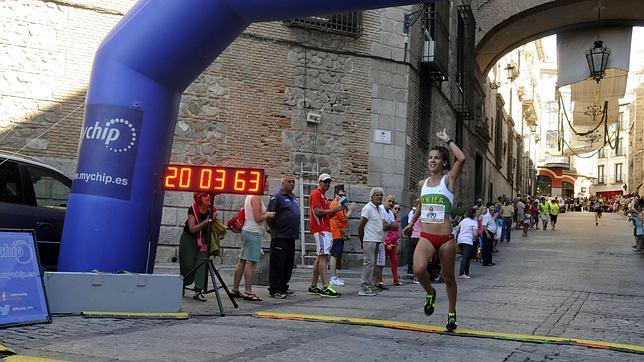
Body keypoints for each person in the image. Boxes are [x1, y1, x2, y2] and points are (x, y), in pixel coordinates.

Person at [403, 128, 465, 331]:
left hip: (445, 238)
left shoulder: (448, 180)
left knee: (448, 278)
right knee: (419, 269)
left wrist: (448, 140)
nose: (432, 161)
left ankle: (451, 313)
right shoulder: (424, 184)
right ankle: (430, 292)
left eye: (437, 158)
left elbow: (462, 158)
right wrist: (412, 223)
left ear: (444, 162)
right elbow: (422, 205)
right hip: (427, 236)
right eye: (430, 158)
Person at [232, 181, 276, 302]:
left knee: (242, 260)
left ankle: (235, 289)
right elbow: (258, 218)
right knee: (250, 262)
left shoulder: (250, 195)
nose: (267, 184)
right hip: (253, 232)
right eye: (266, 182)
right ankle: (248, 291)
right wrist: (268, 215)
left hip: (248, 230)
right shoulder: (255, 197)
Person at [307, 173, 343, 298]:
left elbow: (328, 215)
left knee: (320, 256)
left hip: (325, 228)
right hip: (320, 229)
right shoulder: (316, 194)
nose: (327, 183)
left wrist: (337, 210)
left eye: (329, 182)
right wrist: (333, 210)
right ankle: (325, 286)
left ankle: (313, 285)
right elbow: (317, 211)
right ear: (319, 182)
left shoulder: (324, 196)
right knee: (323, 256)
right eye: (325, 181)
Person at [266, 175, 300, 299]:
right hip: (280, 236)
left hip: (291, 236)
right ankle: (274, 289)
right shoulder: (277, 197)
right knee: (278, 263)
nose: (292, 184)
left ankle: (283, 287)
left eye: (293, 182)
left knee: (288, 263)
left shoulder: (293, 198)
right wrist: (274, 230)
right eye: (289, 181)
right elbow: (270, 216)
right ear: (283, 183)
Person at [180, 192, 216, 301]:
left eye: (209, 195)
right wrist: (206, 221)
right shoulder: (193, 209)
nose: (208, 197)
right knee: (188, 264)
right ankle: (183, 283)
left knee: (202, 264)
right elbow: (192, 228)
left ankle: (198, 291)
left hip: (204, 240)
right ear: (199, 197)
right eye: (205, 195)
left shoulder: (212, 211)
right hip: (189, 238)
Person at [329, 188, 356, 286]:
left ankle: (334, 276)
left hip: (339, 232)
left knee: (336, 254)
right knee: (334, 254)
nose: (342, 197)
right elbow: (344, 218)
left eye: (344, 195)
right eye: (340, 195)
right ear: (336, 195)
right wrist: (351, 210)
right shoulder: (336, 204)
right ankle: (332, 277)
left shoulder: (339, 204)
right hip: (336, 232)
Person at [374, 194, 396, 290]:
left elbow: (393, 227)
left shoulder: (391, 213)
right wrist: (389, 225)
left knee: (381, 263)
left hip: (382, 241)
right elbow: (384, 226)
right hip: (375, 239)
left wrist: (389, 225)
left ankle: (378, 282)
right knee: (374, 263)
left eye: (392, 202)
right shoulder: (380, 209)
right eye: (389, 201)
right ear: (384, 201)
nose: (391, 203)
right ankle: (373, 282)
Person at [383, 199, 402, 286]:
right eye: (395, 208)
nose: (397, 210)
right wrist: (388, 242)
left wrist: (395, 242)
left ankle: (396, 280)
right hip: (388, 243)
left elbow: (395, 232)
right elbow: (388, 231)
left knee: (394, 262)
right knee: (382, 262)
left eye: (398, 209)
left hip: (394, 243)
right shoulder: (389, 216)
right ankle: (379, 280)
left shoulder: (395, 218)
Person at [457, 207, 478, 279]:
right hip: (468, 241)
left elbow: (459, 229)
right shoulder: (474, 222)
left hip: (460, 240)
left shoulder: (463, 221)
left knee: (466, 257)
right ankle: (461, 273)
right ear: (474, 214)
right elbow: (475, 234)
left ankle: (466, 272)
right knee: (465, 257)